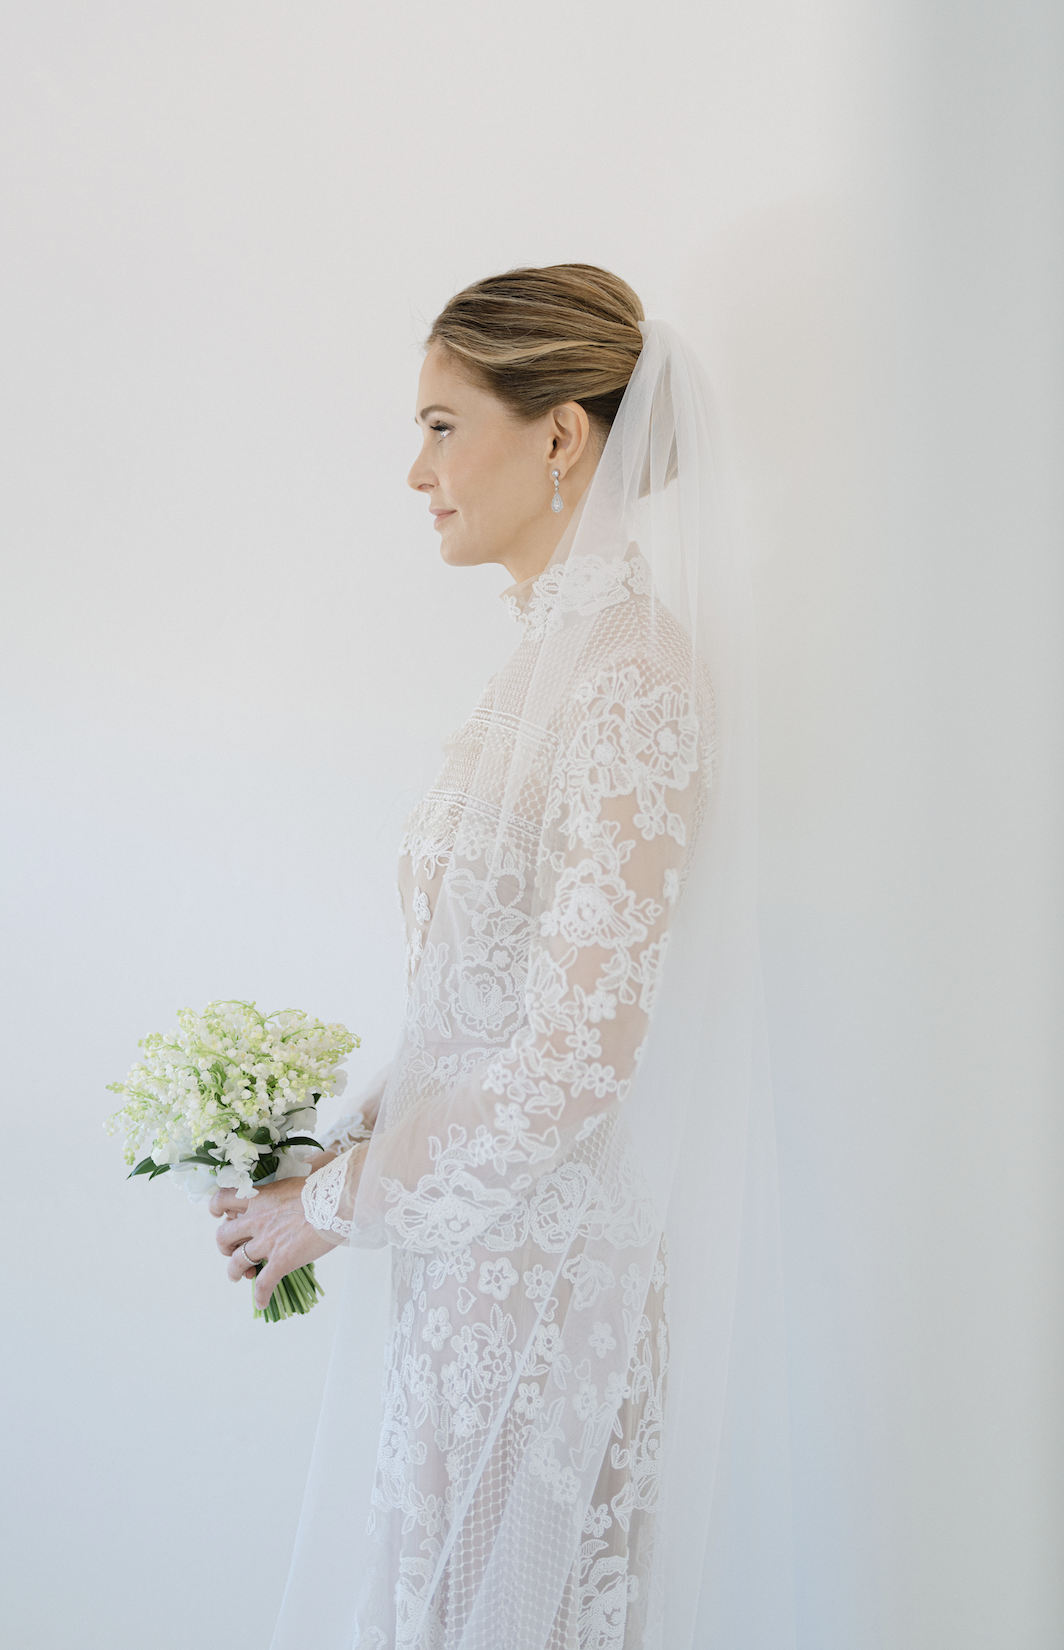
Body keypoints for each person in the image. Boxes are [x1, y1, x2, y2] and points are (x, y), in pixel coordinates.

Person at [209, 264, 791, 1650]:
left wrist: (333, 1204)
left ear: (559, 436)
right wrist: (326, 1143)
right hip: (465, 1257)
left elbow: (580, 1049)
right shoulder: (536, 668)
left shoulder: (630, 677)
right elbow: (475, 1001)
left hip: (544, 1286)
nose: (415, 470)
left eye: (440, 424)